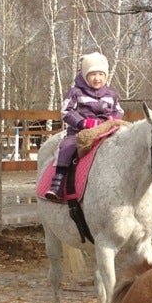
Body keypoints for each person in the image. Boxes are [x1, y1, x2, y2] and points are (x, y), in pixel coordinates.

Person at [45, 51, 124, 202]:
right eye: (93, 74)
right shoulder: (76, 92)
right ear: (85, 75)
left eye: (101, 74)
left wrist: (112, 119)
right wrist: (83, 122)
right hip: (80, 131)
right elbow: (65, 111)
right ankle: (58, 183)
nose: (97, 78)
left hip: (105, 130)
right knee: (67, 146)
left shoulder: (111, 94)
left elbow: (119, 110)